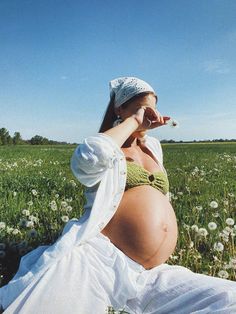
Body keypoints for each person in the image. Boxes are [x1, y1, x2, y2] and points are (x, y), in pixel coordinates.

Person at [0, 77, 235, 314]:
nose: (148, 114)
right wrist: (133, 121)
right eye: (141, 108)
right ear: (119, 108)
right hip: (100, 261)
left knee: (228, 299)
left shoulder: (153, 147)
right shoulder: (108, 148)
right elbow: (87, 158)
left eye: (152, 108)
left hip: (150, 274)